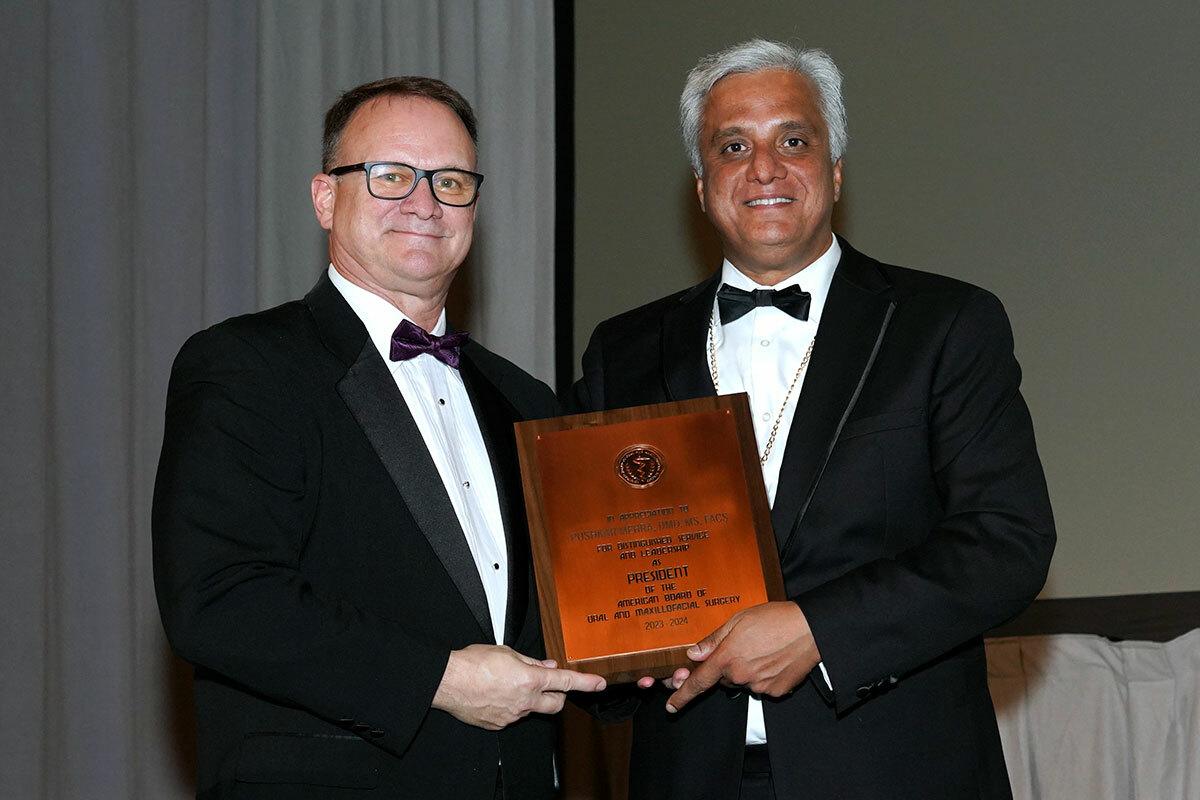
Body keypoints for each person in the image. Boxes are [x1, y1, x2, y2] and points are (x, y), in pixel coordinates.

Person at [572, 40, 1055, 799]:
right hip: (690, 776)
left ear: (833, 170)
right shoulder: (624, 350)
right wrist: (619, 649)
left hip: (896, 772)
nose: (764, 168)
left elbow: (1007, 542)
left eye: (792, 140)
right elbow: (590, 563)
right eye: (734, 146)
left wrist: (820, 630)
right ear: (701, 185)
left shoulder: (944, 324)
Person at [152, 76, 605, 799]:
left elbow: (566, 616)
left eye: (450, 181)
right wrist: (442, 679)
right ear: (326, 198)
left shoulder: (524, 399)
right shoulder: (246, 365)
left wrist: (657, 640)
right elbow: (219, 600)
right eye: (391, 175)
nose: (424, 203)